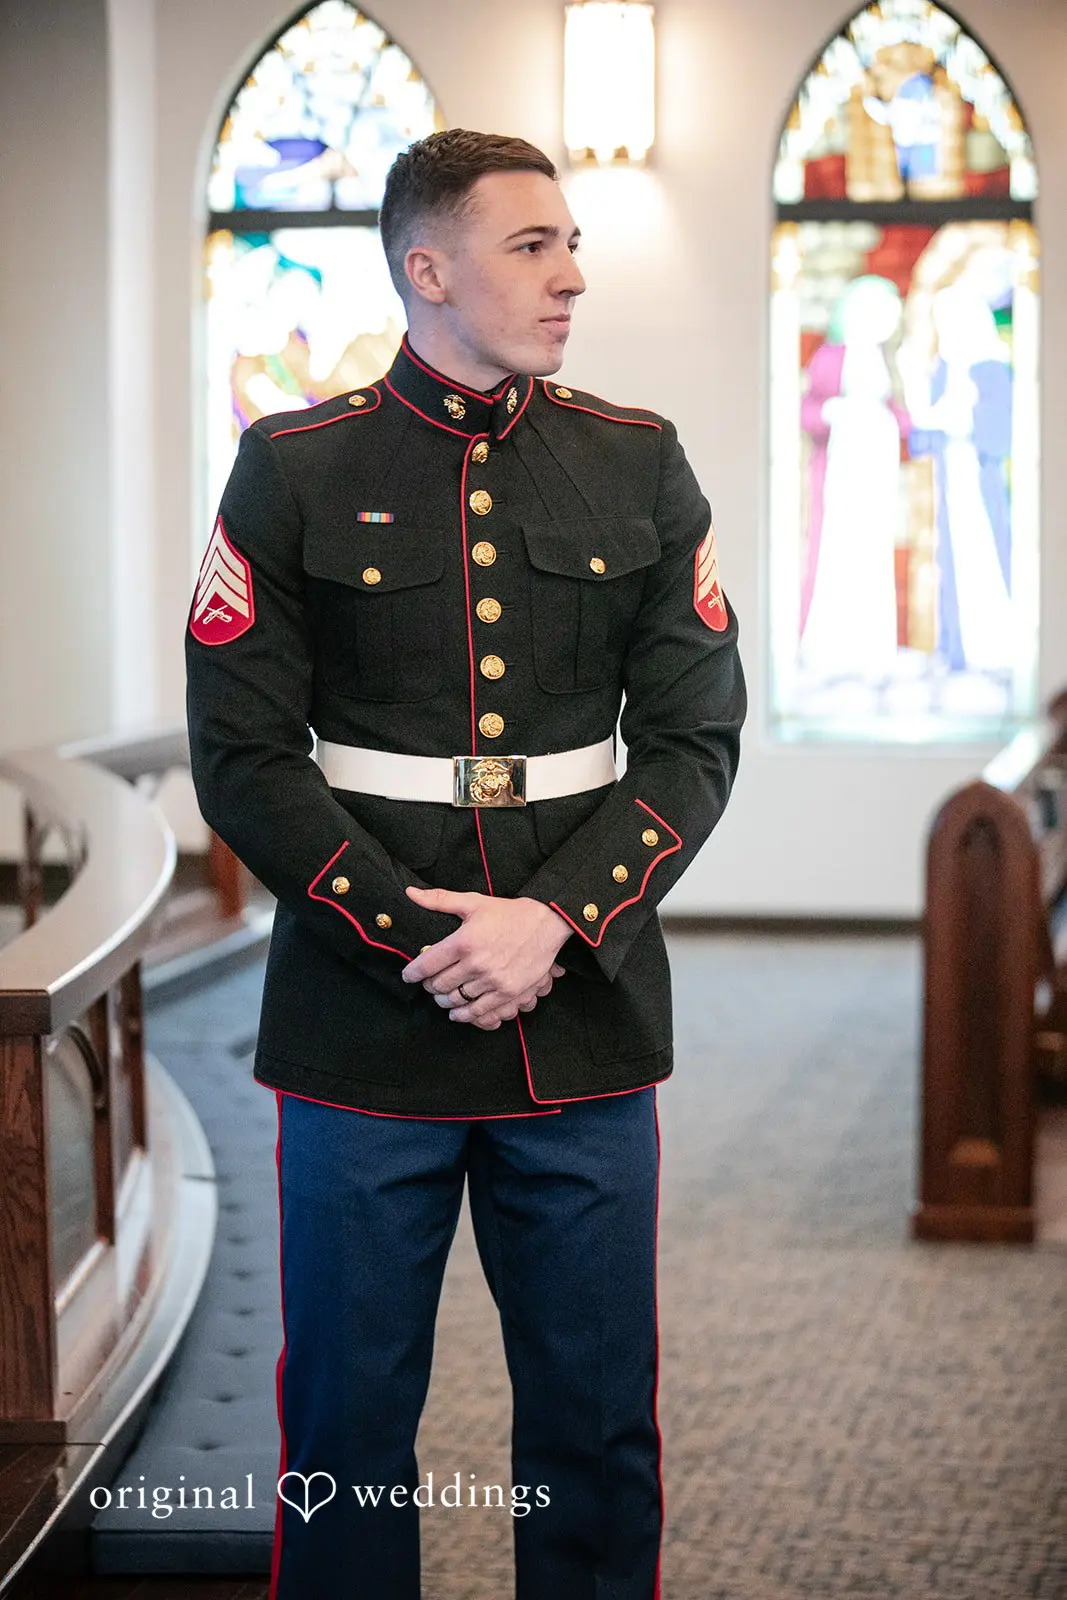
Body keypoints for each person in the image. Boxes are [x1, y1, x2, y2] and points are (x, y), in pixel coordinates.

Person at [185, 128, 746, 1600]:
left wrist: (550, 923)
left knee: (595, 1421)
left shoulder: (634, 461)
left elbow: (694, 738)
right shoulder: (293, 468)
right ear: (425, 270)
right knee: (351, 1428)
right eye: (531, 246)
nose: (570, 276)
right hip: (366, 1015)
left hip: (581, 1003)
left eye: (571, 245)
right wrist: (424, 939)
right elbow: (245, 758)